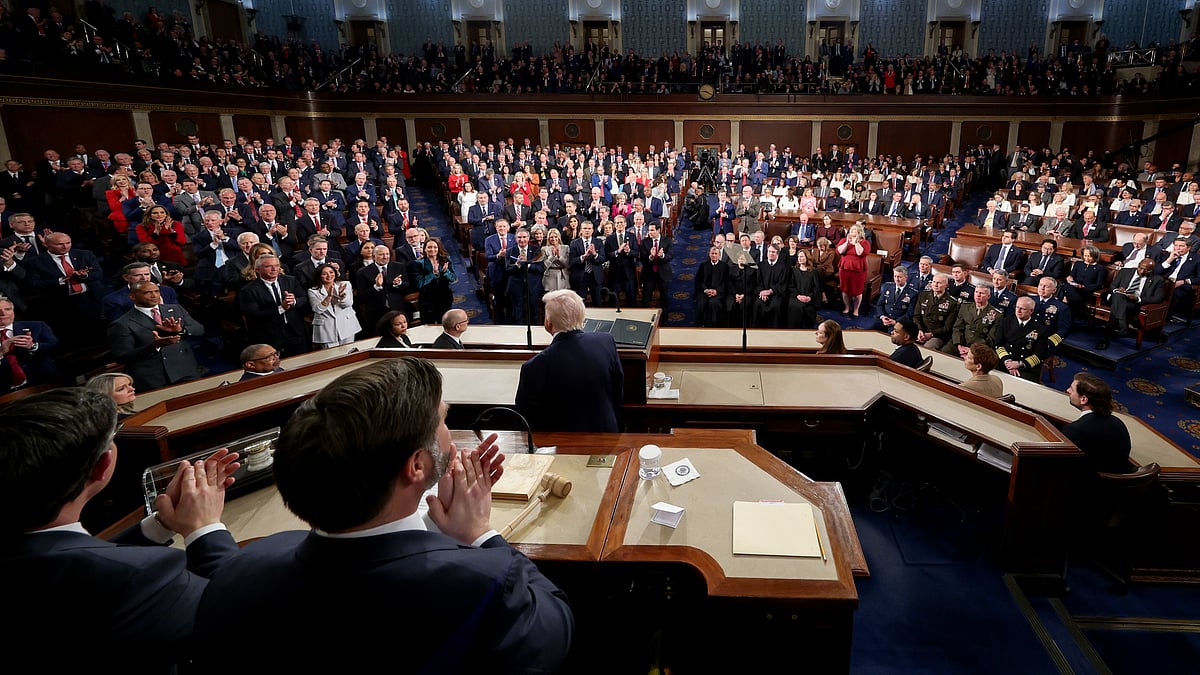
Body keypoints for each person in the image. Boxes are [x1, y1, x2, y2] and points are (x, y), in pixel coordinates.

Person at [191, 358, 573, 672]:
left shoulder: (238, 570)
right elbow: (553, 629)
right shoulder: (483, 582)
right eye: (442, 421)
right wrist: (479, 535)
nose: (448, 431)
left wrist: (204, 529)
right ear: (418, 466)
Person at [0, 388, 240, 668]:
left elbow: (72, 559)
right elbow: (240, 613)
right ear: (102, 466)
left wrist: (161, 525)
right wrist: (204, 527)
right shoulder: (139, 578)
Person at [516, 289, 624, 433]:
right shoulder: (606, 342)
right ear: (582, 317)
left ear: (548, 323)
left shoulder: (535, 366)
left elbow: (525, 417)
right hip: (607, 432)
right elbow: (618, 391)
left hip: (563, 443)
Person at [107, 281, 204, 391]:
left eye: (157, 291)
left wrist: (182, 330)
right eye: (147, 293)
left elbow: (199, 329)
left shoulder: (175, 309)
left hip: (185, 370)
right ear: (132, 296)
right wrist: (154, 346)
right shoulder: (122, 323)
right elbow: (122, 356)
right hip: (153, 378)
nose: (154, 295)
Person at [239, 254, 311, 357]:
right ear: (257, 270)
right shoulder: (248, 290)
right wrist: (281, 308)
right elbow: (253, 314)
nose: (274, 269)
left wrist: (294, 301)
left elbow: (304, 298)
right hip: (269, 335)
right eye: (268, 266)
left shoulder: (290, 280)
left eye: (277, 265)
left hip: (295, 331)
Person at [1063, 373, 1132, 474]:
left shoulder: (1074, 430)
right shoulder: (1119, 423)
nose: (1068, 390)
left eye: (1072, 389)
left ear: (1083, 399)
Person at [1095, 258, 1165, 350]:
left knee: (1116, 308)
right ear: (1138, 265)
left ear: (1152, 270)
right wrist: (1118, 290)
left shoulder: (1158, 279)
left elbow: (1158, 298)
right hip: (1119, 297)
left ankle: (1106, 339)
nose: (1142, 271)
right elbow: (1113, 286)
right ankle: (1122, 324)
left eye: (1146, 270)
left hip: (1133, 303)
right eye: (1140, 268)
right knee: (1118, 296)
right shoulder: (1125, 271)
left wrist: (1138, 298)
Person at [0, 295, 58, 389]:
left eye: (7, 309)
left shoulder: (36, 326)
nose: (3, 313)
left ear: (13, 311)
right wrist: (1, 352)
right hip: (4, 389)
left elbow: (56, 347)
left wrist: (33, 346)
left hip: (42, 382)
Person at [993, 296, 1048, 382]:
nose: (1018, 311)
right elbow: (998, 344)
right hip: (1005, 360)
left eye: (1023, 309)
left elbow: (1039, 355)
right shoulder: (1005, 322)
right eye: (1017, 307)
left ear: (1031, 311)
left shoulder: (1040, 329)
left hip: (1025, 366)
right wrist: (1008, 362)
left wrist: (1019, 364)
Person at [308, 263, 361, 348]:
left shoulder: (345, 284)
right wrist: (328, 297)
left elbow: (349, 304)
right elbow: (317, 309)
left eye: (331, 272)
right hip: (326, 330)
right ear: (319, 276)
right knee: (333, 357)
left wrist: (341, 296)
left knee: (348, 353)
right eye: (324, 274)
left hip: (347, 325)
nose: (329, 276)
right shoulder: (313, 291)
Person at [415, 237, 457, 325]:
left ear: (439, 248)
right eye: (429, 247)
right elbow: (420, 283)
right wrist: (433, 274)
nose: (432, 250)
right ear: (425, 249)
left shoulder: (445, 260)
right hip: (427, 300)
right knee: (429, 326)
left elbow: (453, 278)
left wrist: (446, 272)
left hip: (444, 297)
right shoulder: (418, 263)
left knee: (445, 324)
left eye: (435, 247)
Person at [836, 224, 868, 316]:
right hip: (844, 269)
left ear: (859, 233)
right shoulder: (843, 240)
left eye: (854, 231)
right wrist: (847, 242)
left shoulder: (864, 243)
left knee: (857, 292)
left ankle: (856, 309)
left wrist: (856, 242)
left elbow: (860, 253)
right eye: (850, 231)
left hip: (858, 271)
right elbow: (840, 251)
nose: (851, 232)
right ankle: (846, 307)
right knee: (845, 290)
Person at [694, 245, 731, 327]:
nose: (714, 255)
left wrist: (716, 291)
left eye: (716, 254)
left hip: (718, 293)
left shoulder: (724, 266)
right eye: (712, 253)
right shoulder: (703, 265)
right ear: (709, 254)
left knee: (713, 303)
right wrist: (706, 290)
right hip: (704, 291)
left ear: (719, 255)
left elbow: (725, 282)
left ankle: (714, 325)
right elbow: (699, 280)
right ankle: (701, 324)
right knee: (701, 303)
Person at [786, 248, 822, 328]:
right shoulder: (793, 270)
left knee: (806, 307)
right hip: (795, 296)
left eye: (802, 257)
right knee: (796, 306)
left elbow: (816, 288)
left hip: (809, 297)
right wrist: (798, 296)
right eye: (799, 257)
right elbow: (791, 286)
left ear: (807, 258)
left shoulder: (813, 271)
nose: (800, 258)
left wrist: (810, 297)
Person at [540, 227, 570, 293]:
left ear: (559, 237)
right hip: (550, 276)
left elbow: (567, 264)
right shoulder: (544, 249)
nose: (554, 239)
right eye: (551, 237)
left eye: (556, 237)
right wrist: (552, 257)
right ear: (548, 238)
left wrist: (559, 257)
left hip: (562, 275)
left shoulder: (565, 248)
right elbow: (545, 265)